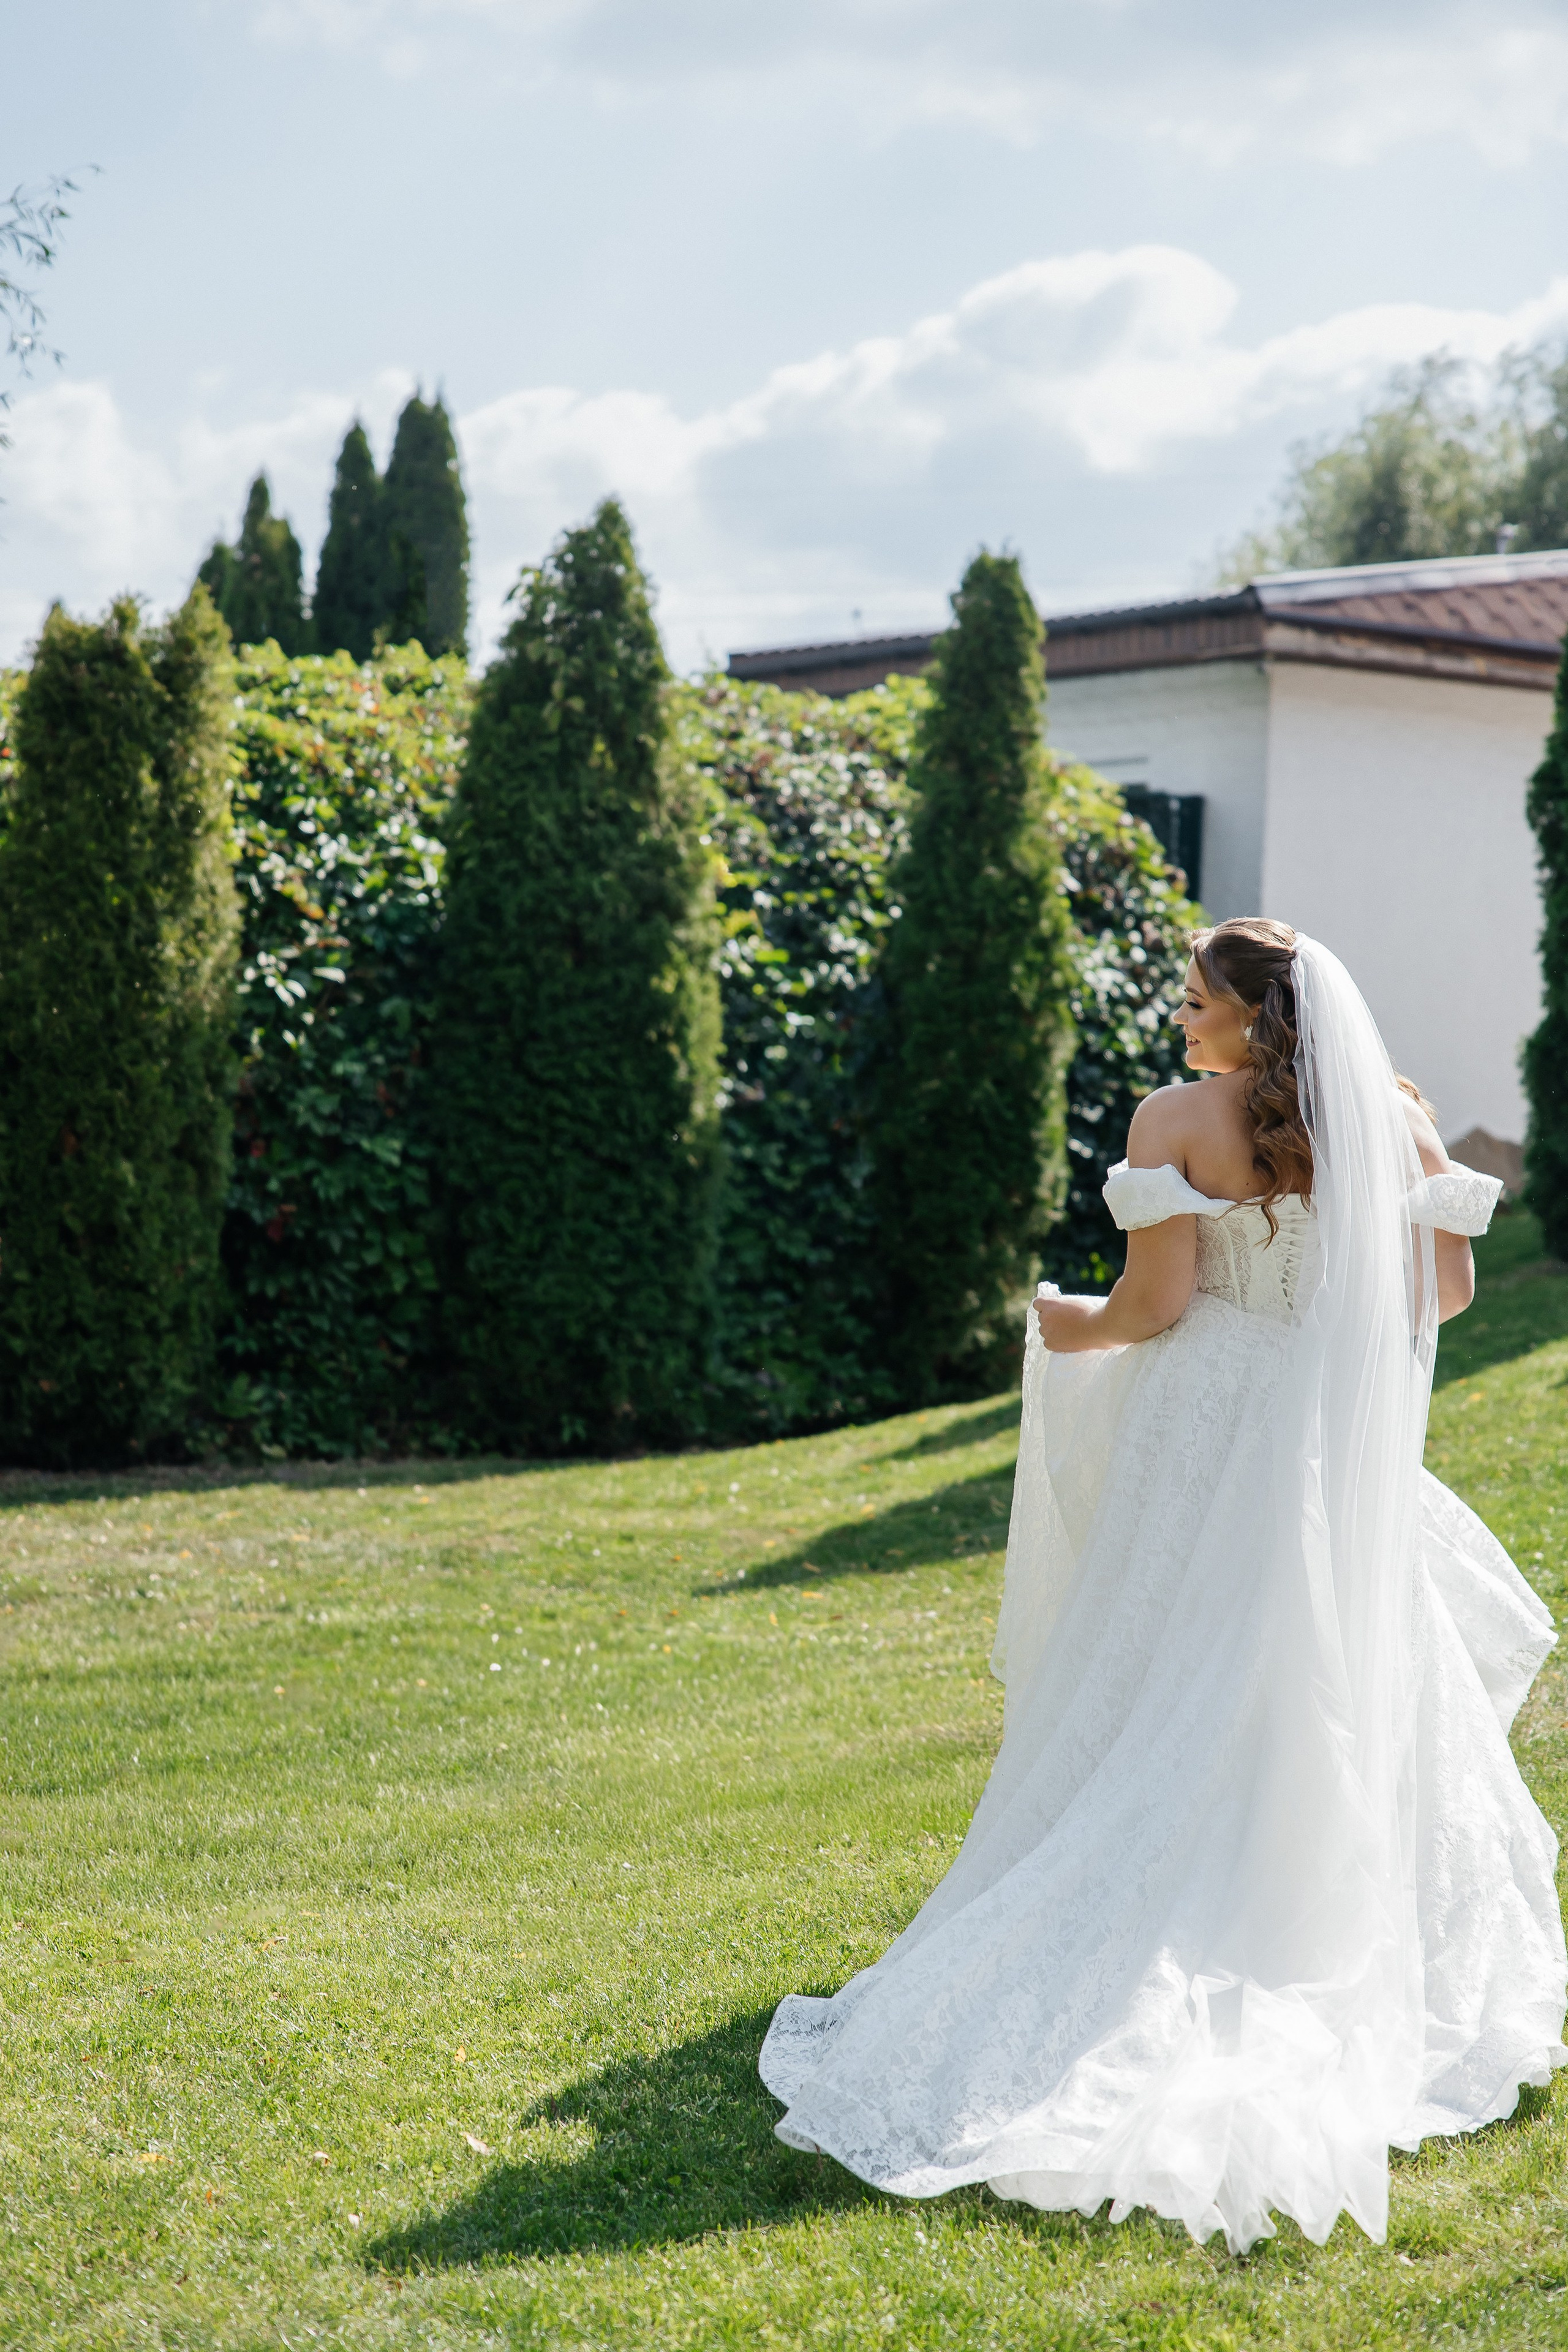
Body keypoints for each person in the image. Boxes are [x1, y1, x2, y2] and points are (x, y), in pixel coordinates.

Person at [760, 918, 1566, 2255]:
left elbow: (1153, 1306)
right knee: (1329, 1664)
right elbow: (1449, 1290)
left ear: (1257, 1015)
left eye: (1196, 1001)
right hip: (1329, 1438)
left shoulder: (1173, 1121)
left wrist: (1054, 1322)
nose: (1179, 1019)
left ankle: (1137, 1925)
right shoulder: (1395, 1123)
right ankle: (1333, 1919)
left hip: (1209, 1423)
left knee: (1162, 1663)